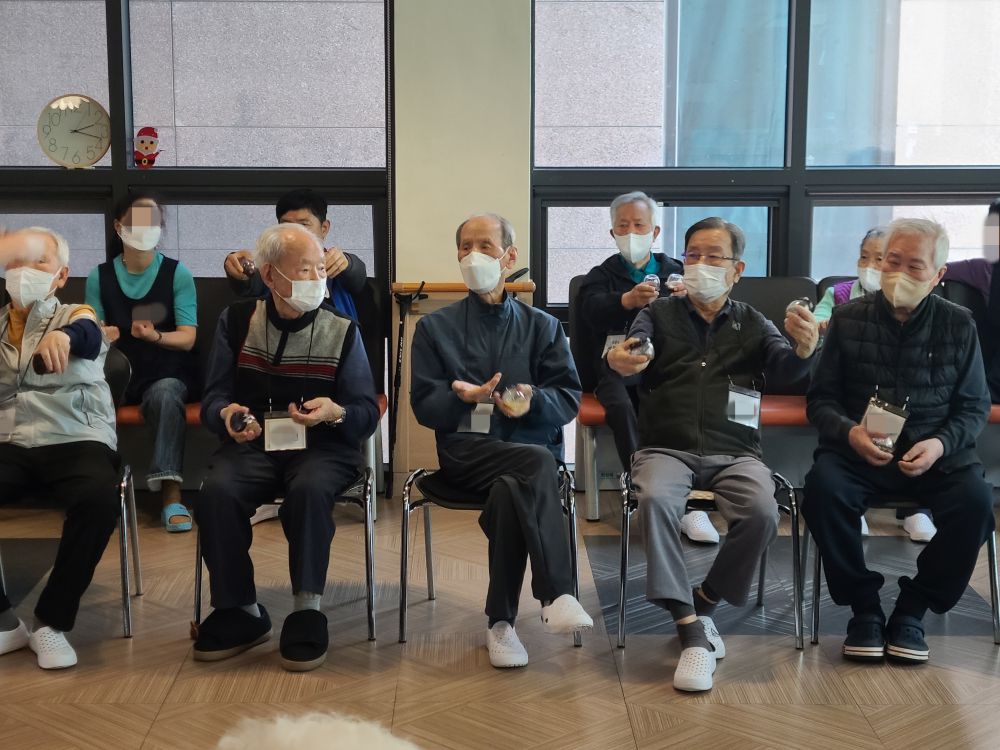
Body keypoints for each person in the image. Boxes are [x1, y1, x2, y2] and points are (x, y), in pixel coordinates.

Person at [607, 216, 818, 692]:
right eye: (693, 255)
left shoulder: (753, 321)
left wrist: (805, 351)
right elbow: (634, 348)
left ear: (736, 270)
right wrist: (621, 359)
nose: (700, 264)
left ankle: (705, 601)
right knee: (655, 502)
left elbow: (786, 369)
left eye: (713, 256)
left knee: (763, 512)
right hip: (665, 447)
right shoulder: (659, 313)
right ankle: (690, 631)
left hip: (736, 450)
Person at [803, 218, 994, 665]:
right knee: (823, 492)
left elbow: (973, 407)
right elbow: (821, 400)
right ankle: (864, 607)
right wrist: (850, 432)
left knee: (975, 504)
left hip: (935, 453)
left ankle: (914, 607)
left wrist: (940, 445)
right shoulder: (848, 318)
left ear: (938, 274)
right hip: (857, 450)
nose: (899, 274)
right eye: (892, 261)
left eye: (914, 266)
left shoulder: (959, 324)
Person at [410, 213, 593, 669]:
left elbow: (568, 398)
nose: (473, 255)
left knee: (513, 488)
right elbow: (423, 405)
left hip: (527, 452)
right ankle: (556, 594)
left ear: (510, 257)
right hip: (468, 453)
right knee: (535, 465)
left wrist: (533, 402)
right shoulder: (435, 328)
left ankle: (500, 624)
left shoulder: (543, 327)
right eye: (465, 246)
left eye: (485, 246)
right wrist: (462, 399)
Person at [193, 223, 378, 672]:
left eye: (321, 269)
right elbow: (213, 398)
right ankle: (240, 609)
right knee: (216, 491)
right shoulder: (237, 321)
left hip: (324, 447)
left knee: (309, 489)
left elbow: (365, 411)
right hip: (254, 443)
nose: (317, 279)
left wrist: (335, 412)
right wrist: (228, 416)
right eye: (304, 270)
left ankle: (307, 608)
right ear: (270, 276)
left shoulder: (342, 329)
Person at [0, 227, 120, 669]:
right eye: (17, 261)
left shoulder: (76, 314)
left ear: (61, 275)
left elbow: (88, 333)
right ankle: (5, 622)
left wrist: (64, 337)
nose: (24, 271)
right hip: (11, 439)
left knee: (98, 499)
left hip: (75, 435)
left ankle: (51, 621)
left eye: (39, 262)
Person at [578, 191, 717, 543]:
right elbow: (589, 312)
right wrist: (625, 300)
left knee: (684, 403)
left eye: (639, 226)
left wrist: (690, 302)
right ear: (612, 233)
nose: (631, 233)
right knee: (621, 405)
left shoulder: (677, 272)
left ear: (654, 232)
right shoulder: (601, 275)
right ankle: (642, 489)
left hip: (667, 367)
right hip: (614, 368)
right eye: (623, 226)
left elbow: (708, 318)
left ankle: (690, 503)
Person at [815, 227, 936, 542]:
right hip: (855, 403)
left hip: (914, 423)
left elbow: (967, 403)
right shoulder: (843, 303)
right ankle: (853, 507)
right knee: (829, 484)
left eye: (879, 258)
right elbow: (822, 391)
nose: (871, 266)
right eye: (864, 257)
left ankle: (918, 510)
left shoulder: (946, 319)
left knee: (968, 498)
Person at [85, 194, 199, 533]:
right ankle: (96, 495)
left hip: (165, 372)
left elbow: (188, 338)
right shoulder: (99, 276)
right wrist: (102, 335)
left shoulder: (177, 273)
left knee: (165, 394)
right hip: (115, 374)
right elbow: (90, 332)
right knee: (86, 397)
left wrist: (155, 336)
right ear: (119, 226)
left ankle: (171, 495)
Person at [224, 189, 367, 320]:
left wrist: (348, 263)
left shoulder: (335, 262)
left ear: (324, 228)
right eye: (286, 225)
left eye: (303, 225)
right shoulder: (273, 265)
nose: (294, 233)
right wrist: (241, 268)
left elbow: (357, 277)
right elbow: (252, 282)